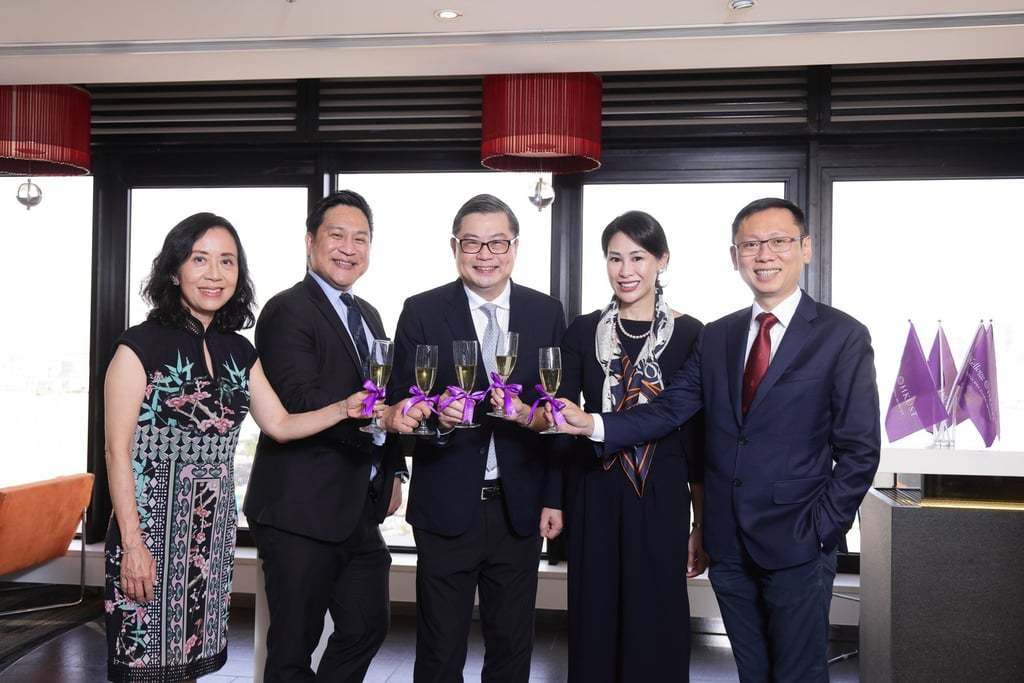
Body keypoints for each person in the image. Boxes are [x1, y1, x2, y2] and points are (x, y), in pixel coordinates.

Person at [556, 197, 881, 683]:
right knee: (752, 671)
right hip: (729, 546)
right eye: (751, 244)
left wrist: (822, 528)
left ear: (806, 249)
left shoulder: (842, 336)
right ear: (734, 256)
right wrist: (594, 425)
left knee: (797, 673)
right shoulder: (720, 336)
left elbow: (860, 450)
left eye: (779, 242)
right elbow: (670, 409)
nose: (764, 254)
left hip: (798, 541)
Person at [104, 212, 374, 683]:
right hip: (149, 530)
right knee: (144, 666)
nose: (214, 274)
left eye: (227, 262)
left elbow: (282, 424)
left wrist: (344, 409)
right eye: (200, 259)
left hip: (210, 532)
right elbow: (116, 451)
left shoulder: (239, 352)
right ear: (174, 270)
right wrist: (133, 544)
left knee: (188, 665)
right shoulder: (137, 346)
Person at [382, 193, 566, 682]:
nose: (485, 254)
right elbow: (399, 400)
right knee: (440, 650)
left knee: (512, 648)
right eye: (472, 243)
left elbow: (559, 409)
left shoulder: (546, 312)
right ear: (454, 247)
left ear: (515, 247)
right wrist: (433, 418)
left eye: (497, 243)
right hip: (446, 505)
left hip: (518, 507)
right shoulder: (421, 310)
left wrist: (554, 497)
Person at [243, 191, 405, 682]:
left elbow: (385, 396)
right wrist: (380, 426)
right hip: (299, 508)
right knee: (293, 647)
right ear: (311, 241)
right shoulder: (287, 310)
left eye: (361, 238)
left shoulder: (369, 315)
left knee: (367, 624)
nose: (348, 248)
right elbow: (299, 400)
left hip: (357, 506)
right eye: (337, 235)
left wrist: (393, 466)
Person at [554, 210, 707, 682]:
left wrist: (701, 522)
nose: (625, 270)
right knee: (593, 614)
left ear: (662, 260)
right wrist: (552, 500)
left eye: (637, 257)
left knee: (655, 618)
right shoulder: (582, 330)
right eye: (614, 258)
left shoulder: (692, 334)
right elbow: (561, 420)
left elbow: (697, 436)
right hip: (592, 488)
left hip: (661, 492)